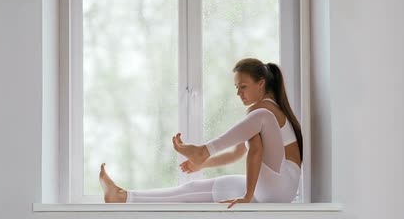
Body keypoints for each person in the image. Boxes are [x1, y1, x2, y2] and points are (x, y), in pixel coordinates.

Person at [99, 58, 304, 208]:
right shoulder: (256, 121)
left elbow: (256, 153)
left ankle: (203, 150)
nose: (238, 93)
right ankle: (122, 196)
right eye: (236, 87)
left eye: (243, 87)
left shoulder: (266, 111)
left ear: (261, 83)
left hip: (281, 185)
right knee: (193, 190)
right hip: (270, 189)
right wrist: (202, 164)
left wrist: (248, 196)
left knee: (260, 116)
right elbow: (238, 153)